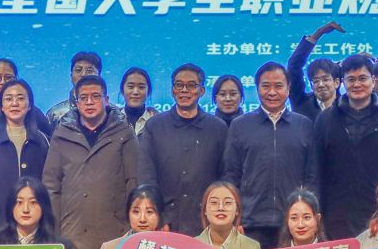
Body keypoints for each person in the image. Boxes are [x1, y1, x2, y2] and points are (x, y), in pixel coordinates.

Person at [42, 73, 141, 249]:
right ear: (76, 102)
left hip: (113, 233)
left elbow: (133, 182)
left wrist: (129, 227)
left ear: (106, 100)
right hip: (71, 233)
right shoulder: (62, 133)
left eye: (95, 97)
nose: (89, 102)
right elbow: (51, 185)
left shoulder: (123, 133)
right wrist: (53, 229)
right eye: (83, 98)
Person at [314, 53, 378, 241]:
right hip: (336, 213)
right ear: (343, 82)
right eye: (351, 79)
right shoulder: (325, 119)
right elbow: (317, 168)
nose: (357, 84)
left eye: (362, 78)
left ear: (373, 80)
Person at [222, 60, 319, 236]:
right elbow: (231, 175)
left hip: (293, 223)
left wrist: (308, 214)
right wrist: (234, 217)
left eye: (278, 86)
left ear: (288, 88)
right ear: (257, 88)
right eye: (266, 86)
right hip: (250, 222)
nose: (272, 92)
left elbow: (312, 177)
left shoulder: (304, 125)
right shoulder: (240, 125)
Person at [138, 64, 229, 235]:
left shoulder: (218, 128)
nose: (184, 90)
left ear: (202, 91)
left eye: (191, 85)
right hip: (165, 223)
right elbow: (147, 176)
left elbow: (225, 177)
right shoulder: (155, 126)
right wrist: (157, 217)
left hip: (206, 224)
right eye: (179, 85)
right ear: (172, 90)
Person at [0, 77, 51, 239]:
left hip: (35, 224)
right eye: (8, 99)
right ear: (1, 106)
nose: (14, 103)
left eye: (20, 98)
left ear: (29, 105)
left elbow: (48, 182)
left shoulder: (41, 140)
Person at [288, 20, 345, 119]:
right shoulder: (301, 103)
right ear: (311, 85)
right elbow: (294, 66)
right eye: (316, 81)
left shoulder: (348, 106)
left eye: (325, 79)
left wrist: (357, 61)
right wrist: (318, 34)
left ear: (336, 82)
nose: (321, 84)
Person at [46, 50, 104, 126]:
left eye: (89, 71)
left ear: (99, 76)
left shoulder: (112, 114)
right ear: (71, 76)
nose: (83, 74)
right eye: (78, 70)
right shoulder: (55, 114)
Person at [118, 66, 157, 137]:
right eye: (130, 87)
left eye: (141, 87)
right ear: (122, 90)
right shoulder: (111, 121)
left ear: (148, 91)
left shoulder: (158, 122)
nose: (135, 92)